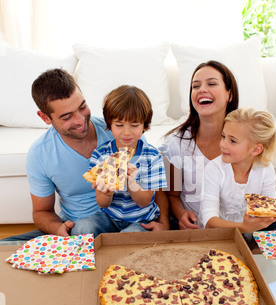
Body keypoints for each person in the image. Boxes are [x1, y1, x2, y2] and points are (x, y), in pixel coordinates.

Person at [2, 69, 169, 241]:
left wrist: (164, 224)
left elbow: (156, 190)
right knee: (7, 247)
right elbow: (41, 211)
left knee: (132, 239)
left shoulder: (121, 128)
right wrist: (60, 229)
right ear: (45, 117)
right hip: (83, 226)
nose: (80, 120)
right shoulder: (40, 153)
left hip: (136, 220)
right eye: (67, 116)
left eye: (82, 107)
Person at [160, 60, 239, 229]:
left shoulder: (245, 140)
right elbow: (172, 196)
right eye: (195, 86)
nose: (202, 89)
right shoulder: (175, 145)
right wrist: (181, 214)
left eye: (211, 83)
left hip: (238, 230)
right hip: (197, 232)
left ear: (229, 95)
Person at [201, 107, 276, 232]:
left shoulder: (265, 168)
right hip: (226, 230)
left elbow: (271, 205)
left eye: (232, 141)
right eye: (223, 136)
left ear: (256, 149)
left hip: (254, 224)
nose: (223, 144)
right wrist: (244, 227)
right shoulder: (214, 169)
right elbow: (209, 221)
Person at [85, 85, 167, 233]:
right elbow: (102, 204)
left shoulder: (152, 156)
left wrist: (131, 183)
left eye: (134, 125)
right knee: (83, 228)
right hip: (109, 217)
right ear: (110, 124)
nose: (126, 132)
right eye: (119, 125)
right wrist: (106, 193)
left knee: (129, 236)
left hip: (141, 220)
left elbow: (145, 202)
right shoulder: (101, 155)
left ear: (144, 125)